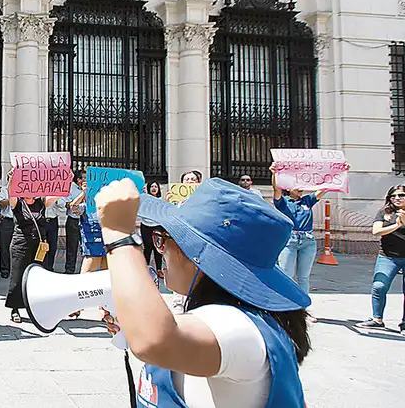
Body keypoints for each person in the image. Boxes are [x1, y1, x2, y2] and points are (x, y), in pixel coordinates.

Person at [97, 177, 312, 408]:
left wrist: (118, 236)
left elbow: (154, 342)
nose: (161, 250)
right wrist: (134, 320)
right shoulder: (234, 319)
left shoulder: (237, 328)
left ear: (197, 256)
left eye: (163, 239)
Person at [270, 163, 327, 300]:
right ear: (288, 188)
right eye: (297, 185)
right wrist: (274, 173)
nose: (300, 188)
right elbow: (276, 189)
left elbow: (324, 189)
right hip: (290, 240)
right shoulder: (283, 202)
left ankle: (303, 305)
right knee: (286, 274)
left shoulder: (307, 201)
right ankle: (284, 304)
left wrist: (339, 172)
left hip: (308, 240)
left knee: (304, 277)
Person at [6, 179, 60, 323]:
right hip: (20, 245)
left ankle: (36, 308)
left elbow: (58, 192)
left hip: (39, 247)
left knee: (37, 278)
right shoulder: (18, 204)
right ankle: (15, 308)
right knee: (18, 277)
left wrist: (65, 178)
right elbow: (10, 192)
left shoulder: (41, 203)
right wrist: (12, 179)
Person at [356, 184, 405, 333]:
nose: (397, 198)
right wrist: (397, 225)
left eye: (401, 195)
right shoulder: (385, 212)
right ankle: (377, 319)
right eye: (393, 196)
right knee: (379, 286)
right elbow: (376, 231)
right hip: (388, 256)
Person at [64, 171, 85, 275]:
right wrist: (78, 201)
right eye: (84, 178)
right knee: (72, 247)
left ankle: (85, 270)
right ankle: (69, 270)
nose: (86, 180)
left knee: (86, 247)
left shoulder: (89, 188)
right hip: (74, 220)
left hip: (85, 221)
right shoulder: (71, 188)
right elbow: (67, 204)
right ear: (78, 180)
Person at [141, 181, 164, 279]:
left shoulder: (161, 200)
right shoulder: (144, 199)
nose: (154, 188)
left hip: (157, 226)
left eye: (156, 186)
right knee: (147, 248)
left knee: (158, 249)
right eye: (152, 186)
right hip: (146, 226)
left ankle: (159, 269)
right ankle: (145, 268)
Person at [0, 183, 13, 279]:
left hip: (21, 220)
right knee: (5, 246)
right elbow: (2, 204)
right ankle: (4, 268)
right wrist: (13, 196)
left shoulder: (24, 188)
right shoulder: (4, 189)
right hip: (8, 220)